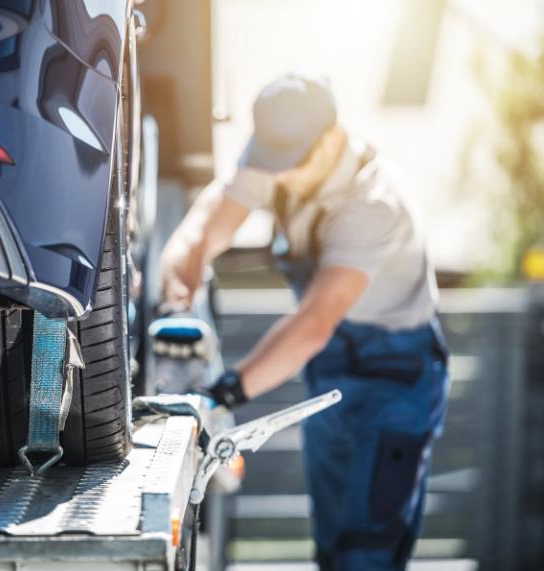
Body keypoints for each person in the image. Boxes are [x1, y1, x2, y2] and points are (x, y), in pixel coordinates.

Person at [160, 72, 450, 570]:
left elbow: (314, 322)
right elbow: (207, 227)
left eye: (292, 164)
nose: (281, 178)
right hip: (333, 363)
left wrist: (223, 394)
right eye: (272, 164)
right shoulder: (277, 154)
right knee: (334, 540)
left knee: (366, 550)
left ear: (332, 139)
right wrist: (179, 282)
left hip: (392, 378)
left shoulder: (373, 203)